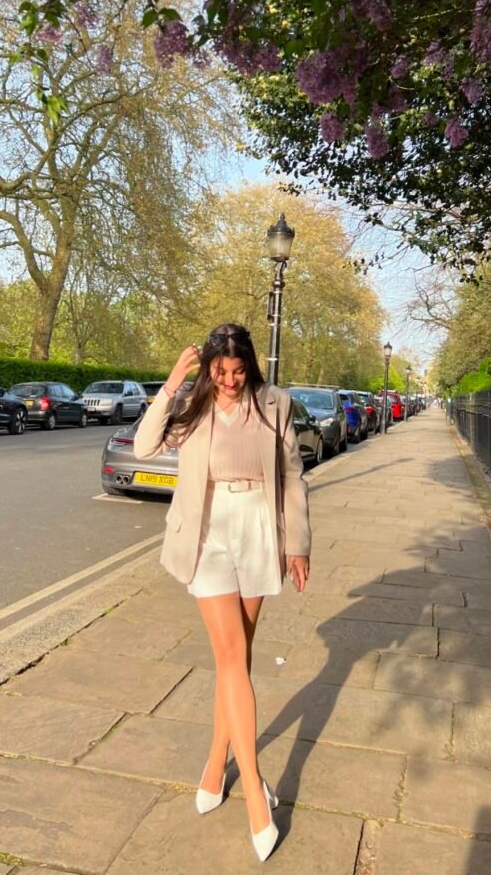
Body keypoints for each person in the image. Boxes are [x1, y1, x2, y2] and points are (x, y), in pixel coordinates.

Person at [135, 323, 311, 863]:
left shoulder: (274, 403)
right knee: (232, 658)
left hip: (258, 530)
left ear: (250, 367)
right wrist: (172, 383)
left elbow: (292, 473)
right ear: (208, 368)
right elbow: (144, 446)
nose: (230, 381)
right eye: (220, 372)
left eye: (238, 372)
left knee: (236, 660)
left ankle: (216, 763)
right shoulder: (190, 406)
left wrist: (298, 543)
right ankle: (256, 791)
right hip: (207, 533)